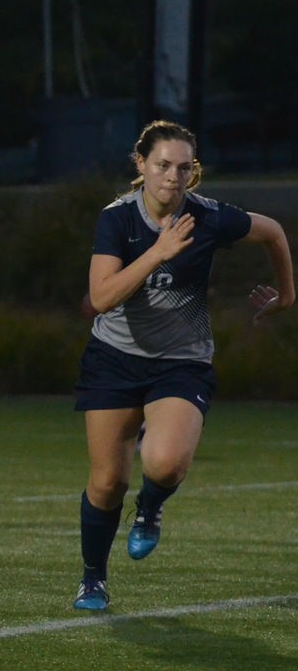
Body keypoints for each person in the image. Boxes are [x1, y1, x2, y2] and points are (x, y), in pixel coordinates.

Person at [71, 120, 292, 611]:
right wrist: (158, 253)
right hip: (113, 359)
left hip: (181, 361)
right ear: (141, 166)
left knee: (166, 463)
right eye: (163, 165)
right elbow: (102, 297)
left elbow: (274, 233)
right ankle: (92, 578)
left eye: (183, 167)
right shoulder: (117, 219)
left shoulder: (209, 216)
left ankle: (150, 508)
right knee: (108, 481)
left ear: (194, 172)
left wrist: (286, 295)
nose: (173, 176)